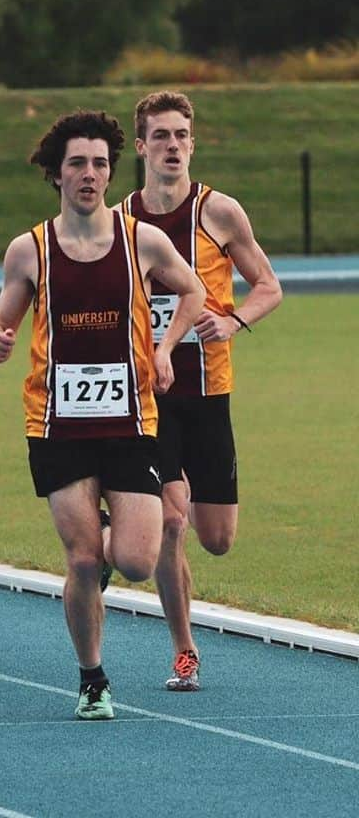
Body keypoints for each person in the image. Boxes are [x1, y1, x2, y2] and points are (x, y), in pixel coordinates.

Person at [0, 110, 205, 720]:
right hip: (57, 424)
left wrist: (163, 349)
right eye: (78, 164)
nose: (90, 174)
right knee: (83, 558)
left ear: (112, 171)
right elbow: (2, 324)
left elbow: (194, 292)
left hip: (131, 420)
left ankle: (104, 539)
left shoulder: (142, 239)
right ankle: (92, 678)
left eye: (101, 164)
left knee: (133, 559)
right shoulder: (29, 249)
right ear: (57, 175)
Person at [120, 91, 283, 691]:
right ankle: (184, 650)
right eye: (160, 135)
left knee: (216, 539)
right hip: (151, 395)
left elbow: (268, 286)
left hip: (210, 393)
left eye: (181, 135)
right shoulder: (122, 221)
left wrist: (235, 320)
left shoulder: (220, 213)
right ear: (141, 146)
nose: (172, 145)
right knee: (171, 520)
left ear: (193, 142)